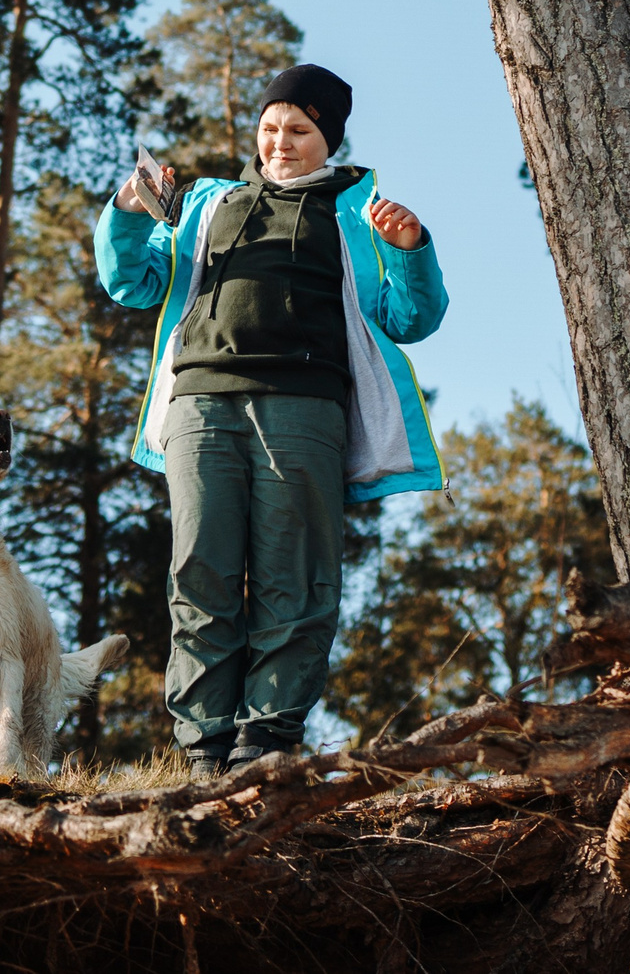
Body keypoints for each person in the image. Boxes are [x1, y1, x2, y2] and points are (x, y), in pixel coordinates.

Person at [93, 63, 447, 777]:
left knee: (297, 574)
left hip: (304, 407)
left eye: (299, 130)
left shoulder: (357, 211)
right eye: (270, 127)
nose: (280, 142)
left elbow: (411, 317)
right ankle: (204, 747)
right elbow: (132, 281)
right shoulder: (206, 204)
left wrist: (412, 251)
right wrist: (128, 211)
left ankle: (267, 740)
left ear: (329, 139)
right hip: (201, 404)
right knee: (201, 571)